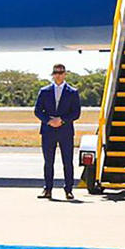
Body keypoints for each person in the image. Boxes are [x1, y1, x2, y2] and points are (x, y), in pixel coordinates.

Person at [34, 63, 83, 200]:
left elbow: (76, 113)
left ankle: (68, 189)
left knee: (67, 161)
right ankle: (47, 189)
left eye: (61, 72)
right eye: (56, 72)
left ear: (65, 74)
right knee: (48, 161)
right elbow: (37, 111)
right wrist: (49, 121)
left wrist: (62, 120)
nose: (58, 75)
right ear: (52, 74)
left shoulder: (72, 92)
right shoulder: (44, 91)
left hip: (65, 131)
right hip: (48, 130)